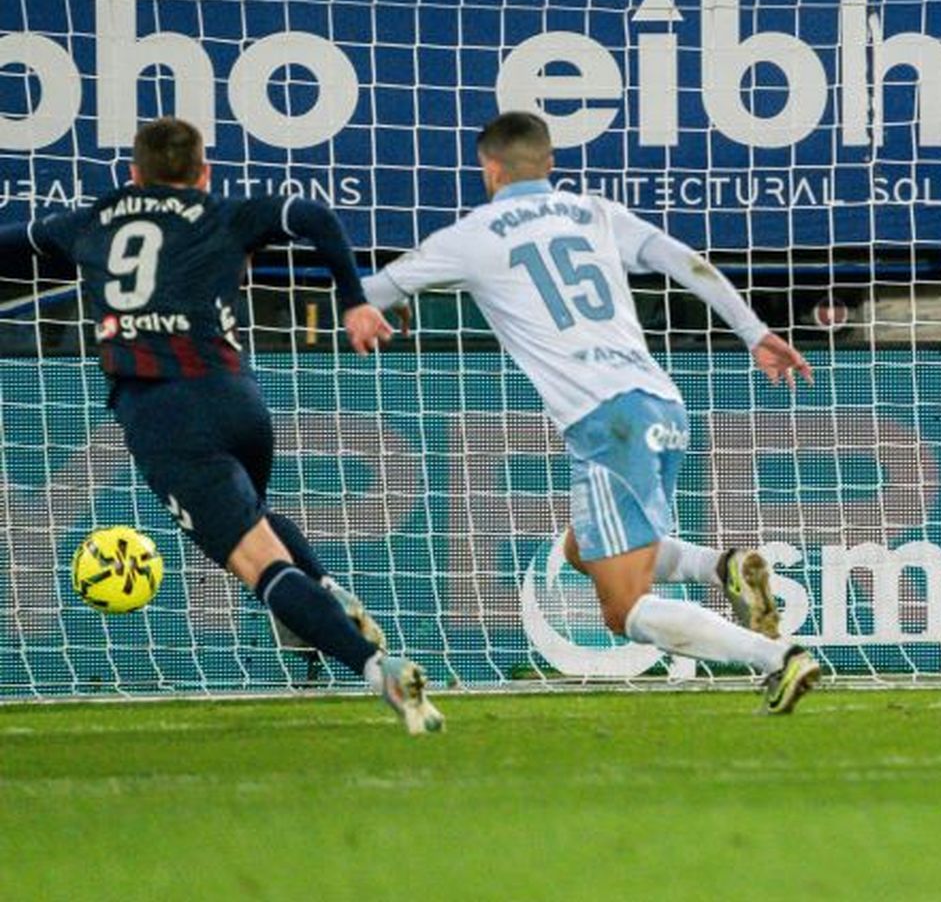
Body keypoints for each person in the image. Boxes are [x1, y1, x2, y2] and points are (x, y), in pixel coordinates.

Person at [361, 111, 822, 713]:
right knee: (584, 549)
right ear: (550, 165)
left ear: (488, 169)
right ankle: (725, 567)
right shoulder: (596, 211)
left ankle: (779, 658)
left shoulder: (472, 235)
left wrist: (394, 301)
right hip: (662, 404)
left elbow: (368, 294)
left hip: (607, 424)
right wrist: (754, 331)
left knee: (622, 607)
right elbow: (686, 262)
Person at [0, 118, 441, 733]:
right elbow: (313, 217)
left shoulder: (90, 221)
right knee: (253, 514)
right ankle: (324, 591)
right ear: (204, 173)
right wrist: (354, 299)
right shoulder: (222, 214)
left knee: (259, 564)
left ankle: (378, 669)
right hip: (239, 402)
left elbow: (9, 247)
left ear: (133, 173)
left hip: (164, 414)